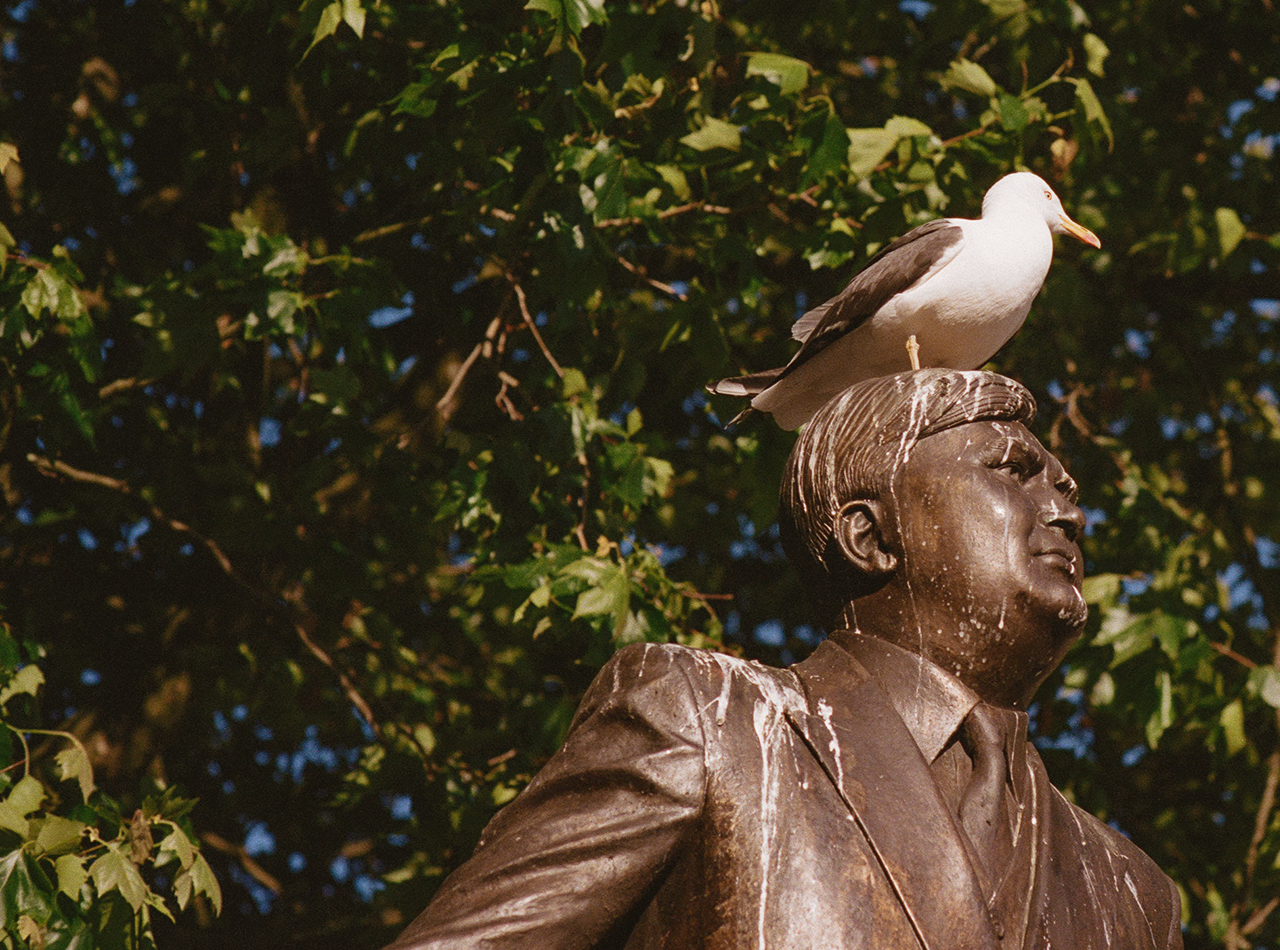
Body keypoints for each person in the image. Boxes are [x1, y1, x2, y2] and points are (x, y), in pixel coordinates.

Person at [388, 369, 1182, 950]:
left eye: (1066, 487)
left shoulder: (1131, 890)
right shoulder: (707, 721)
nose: (1066, 511)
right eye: (1012, 471)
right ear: (870, 536)